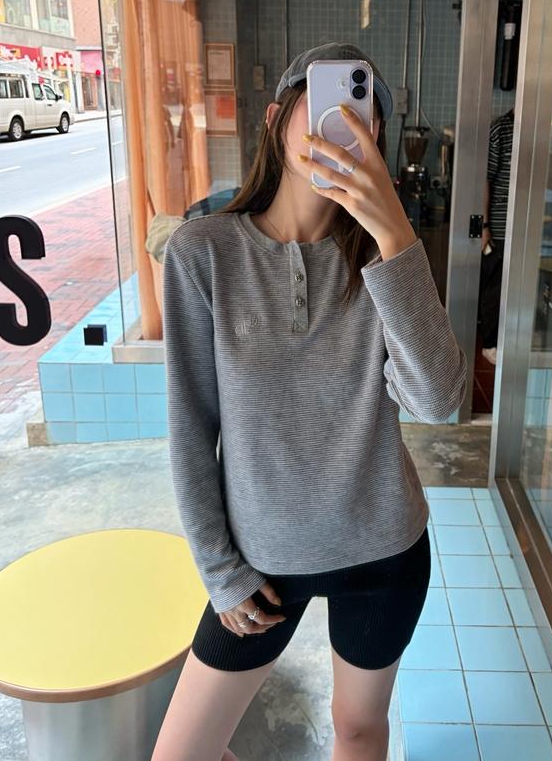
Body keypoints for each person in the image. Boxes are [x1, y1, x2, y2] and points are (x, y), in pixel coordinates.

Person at [152, 42, 468, 761]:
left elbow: (436, 401)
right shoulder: (204, 253)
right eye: (324, 103)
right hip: (262, 564)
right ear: (275, 119)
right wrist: (219, 569)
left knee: (358, 730)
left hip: (385, 550)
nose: (342, 125)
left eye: (365, 117)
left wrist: (395, 233)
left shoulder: (386, 258)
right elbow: (190, 427)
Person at [478, 108, 514, 364]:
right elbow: (484, 179)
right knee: (495, 289)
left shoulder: (537, 129)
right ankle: (490, 344)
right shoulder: (500, 129)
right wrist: (485, 225)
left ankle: (507, 340)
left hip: (523, 228)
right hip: (500, 227)